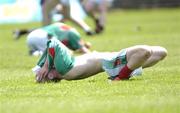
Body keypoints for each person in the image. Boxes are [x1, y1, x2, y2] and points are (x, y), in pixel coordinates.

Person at [32, 37, 167, 83]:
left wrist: (44, 65)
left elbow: (50, 49)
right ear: (50, 74)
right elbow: (53, 43)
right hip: (114, 62)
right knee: (145, 51)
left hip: (113, 62)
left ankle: (122, 75)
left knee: (162, 52)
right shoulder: (64, 69)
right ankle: (121, 78)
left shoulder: (68, 68)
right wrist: (44, 66)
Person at [27, 22, 91, 55]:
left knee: (47, 52)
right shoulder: (75, 35)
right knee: (59, 54)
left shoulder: (64, 27)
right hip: (43, 37)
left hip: (31, 36)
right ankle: (37, 53)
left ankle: (35, 52)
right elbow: (84, 50)